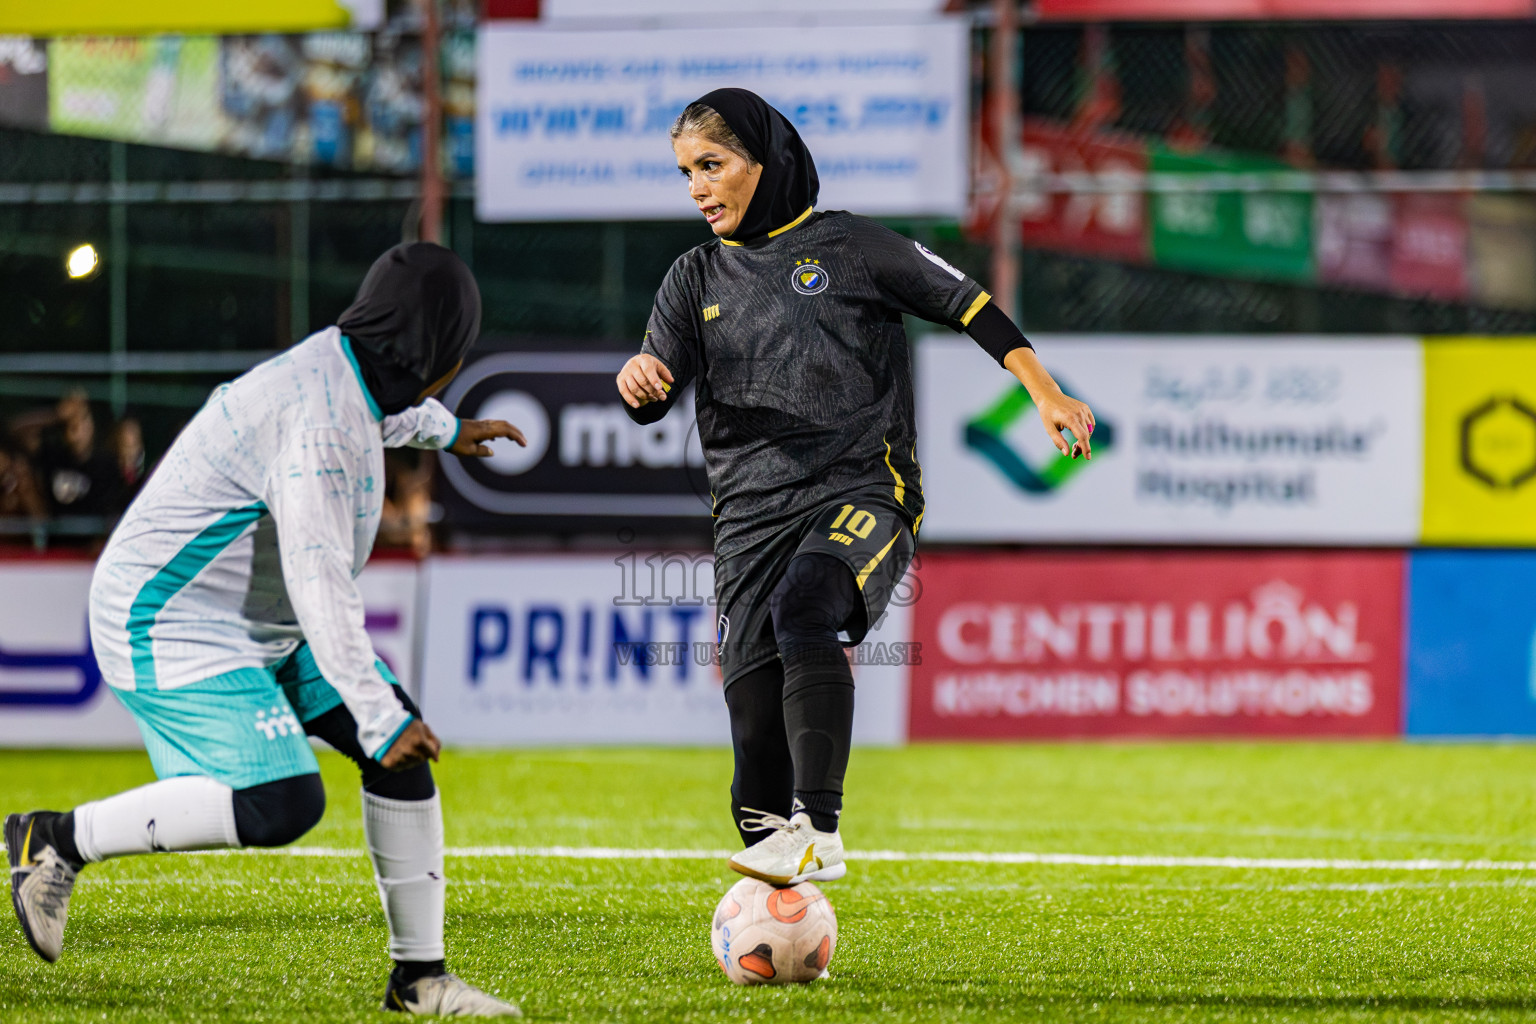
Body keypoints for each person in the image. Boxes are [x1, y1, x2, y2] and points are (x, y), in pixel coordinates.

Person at [6, 242, 526, 1018]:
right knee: (283, 800)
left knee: (396, 754)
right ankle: (53, 838)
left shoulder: (344, 364)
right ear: (440, 352)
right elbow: (320, 582)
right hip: (167, 617)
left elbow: (381, 407)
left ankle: (418, 981)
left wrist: (446, 431)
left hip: (253, 617)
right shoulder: (321, 427)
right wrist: (377, 717)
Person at [617, 89, 1096, 886]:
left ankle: (821, 826)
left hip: (863, 491)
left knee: (807, 604)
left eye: (712, 165)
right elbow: (653, 390)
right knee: (754, 763)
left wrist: (1043, 391)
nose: (698, 188)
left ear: (762, 162)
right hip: (748, 525)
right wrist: (639, 377)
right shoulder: (692, 276)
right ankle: (784, 903)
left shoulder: (849, 245)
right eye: (686, 173)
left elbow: (968, 304)